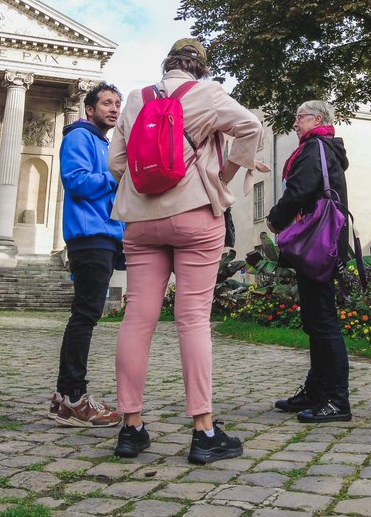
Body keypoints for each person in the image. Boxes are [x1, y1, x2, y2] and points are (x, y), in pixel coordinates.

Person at [107, 38, 268, 464]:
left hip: (141, 220)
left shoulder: (137, 98)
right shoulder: (208, 94)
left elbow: (116, 162)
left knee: (138, 318)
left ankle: (131, 428)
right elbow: (251, 126)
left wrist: (149, 186)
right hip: (196, 212)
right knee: (192, 319)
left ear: (167, 64)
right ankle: (203, 430)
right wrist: (224, 175)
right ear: (201, 67)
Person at [265, 100, 351, 423]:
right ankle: (316, 390)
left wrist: (275, 219)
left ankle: (338, 399)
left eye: (299, 117)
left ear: (316, 119)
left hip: (318, 244)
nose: (295, 122)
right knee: (316, 320)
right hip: (322, 243)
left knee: (324, 321)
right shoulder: (322, 148)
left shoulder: (315, 147)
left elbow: (298, 190)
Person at [49, 81, 124, 428]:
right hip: (90, 237)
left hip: (102, 236)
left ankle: (65, 398)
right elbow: (76, 181)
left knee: (85, 316)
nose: (113, 109)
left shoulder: (100, 143)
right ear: (89, 110)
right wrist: (114, 174)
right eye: (106, 103)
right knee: (85, 317)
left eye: (117, 104)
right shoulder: (80, 137)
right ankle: (75, 397)